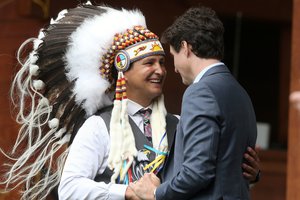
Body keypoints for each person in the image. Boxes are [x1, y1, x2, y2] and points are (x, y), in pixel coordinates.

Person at [0, 3, 259, 200]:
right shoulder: (98, 126)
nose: (160, 70)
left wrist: (249, 171)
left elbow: (204, 169)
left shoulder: (178, 123)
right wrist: (126, 192)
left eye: (162, 62)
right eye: (149, 63)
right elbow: (69, 188)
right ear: (123, 71)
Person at [131, 6, 257, 200]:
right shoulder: (239, 92)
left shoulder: (201, 91)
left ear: (186, 47)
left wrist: (156, 193)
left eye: (174, 56)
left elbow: (197, 171)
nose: (174, 68)